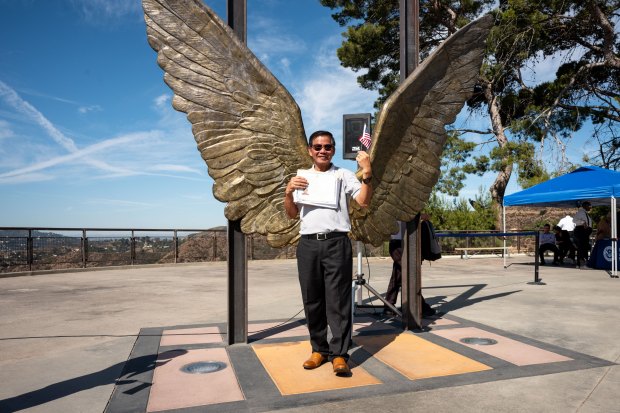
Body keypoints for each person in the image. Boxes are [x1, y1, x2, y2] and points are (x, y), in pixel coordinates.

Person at [284, 130, 372, 376]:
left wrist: (367, 173)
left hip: (336, 243)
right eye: (318, 147)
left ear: (333, 149)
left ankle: (340, 355)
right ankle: (318, 350)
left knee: (338, 302)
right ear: (310, 150)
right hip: (309, 244)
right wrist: (288, 192)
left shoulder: (343, 175)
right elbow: (291, 214)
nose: (323, 151)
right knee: (312, 300)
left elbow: (363, 202)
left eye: (327, 147)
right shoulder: (300, 178)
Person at [384, 216, 436, 317]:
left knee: (397, 276)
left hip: (401, 241)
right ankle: (421, 306)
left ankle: (389, 305)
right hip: (400, 242)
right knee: (410, 273)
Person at [573, 201, 593, 268]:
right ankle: (581, 264)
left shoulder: (585, 213)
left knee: (584, 247)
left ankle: (580, 263)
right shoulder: (581, 212)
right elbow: (574, 220)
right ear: (585, 206)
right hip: (581, 231)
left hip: (585, 232)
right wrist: (582, 222)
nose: (590, 207)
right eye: (589, 205)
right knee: (582, 247)